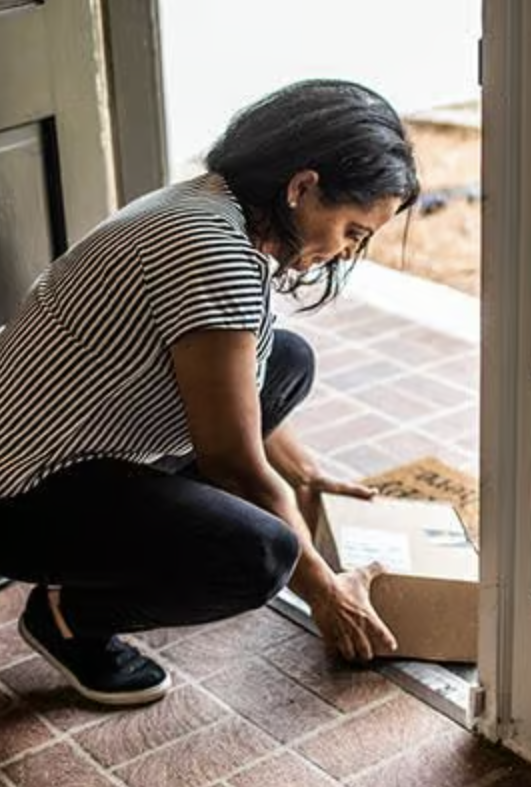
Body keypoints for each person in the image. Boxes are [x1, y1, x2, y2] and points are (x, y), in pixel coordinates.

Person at [0, 78, 420, 707]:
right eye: (353, 231)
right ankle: (70, 614)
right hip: (17, 495)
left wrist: (306, 477)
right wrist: (327, 593)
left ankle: (127, 541)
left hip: (53, 442)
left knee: (287, 360)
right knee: (257, 555)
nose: (343, 253)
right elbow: (234, 465)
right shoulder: (211, 254)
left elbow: (237, 387)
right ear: (303, 188)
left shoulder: (208, 203)